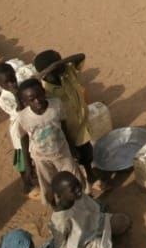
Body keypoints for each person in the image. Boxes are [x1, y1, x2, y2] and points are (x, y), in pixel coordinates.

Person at [34, 50, 107, 196]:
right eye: (58, 66)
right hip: (67, 132)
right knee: (74, 160)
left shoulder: (67, 73)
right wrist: (55, 66)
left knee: (86, 153)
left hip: (81, 125)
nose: (63, 66)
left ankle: (90, 175)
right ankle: (83, 187)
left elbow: (81, 56)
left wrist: (61, 63)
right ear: (48, 74)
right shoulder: (46, 94)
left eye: (62, 63)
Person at [50, 171, 131, 248]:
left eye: (77, 184)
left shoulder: (78, 196)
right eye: (72, 189)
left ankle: (103, 246)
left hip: (97, 225)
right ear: (60, 196)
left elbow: (93, 211)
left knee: (124, 221)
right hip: (84, 245)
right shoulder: (60, 220)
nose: (78, 189)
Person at [16, 78, 85, 207]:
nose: (37, 101)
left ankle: (83, 203)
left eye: (39, 96)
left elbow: (63, 127)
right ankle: (55, 207)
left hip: (62, 151)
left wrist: (71, 146)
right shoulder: (22, 117)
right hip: (41, 157)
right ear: (25, 102)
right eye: (32, 99)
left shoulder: (56, 105)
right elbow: (24, 140)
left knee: (74, 179)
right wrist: (28, 164)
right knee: (47, 184)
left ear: (44, 92)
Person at [0, 63, 36, 196]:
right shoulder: (3, 99)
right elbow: (20, 112)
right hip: (19, 129)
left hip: (31, 125)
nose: (12, 83)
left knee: (34, 153)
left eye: (13, 79)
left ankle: (34, 175)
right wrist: (16, 94)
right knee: (23, 158)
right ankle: (26, 183)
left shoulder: (21, 86)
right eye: (7, 82)